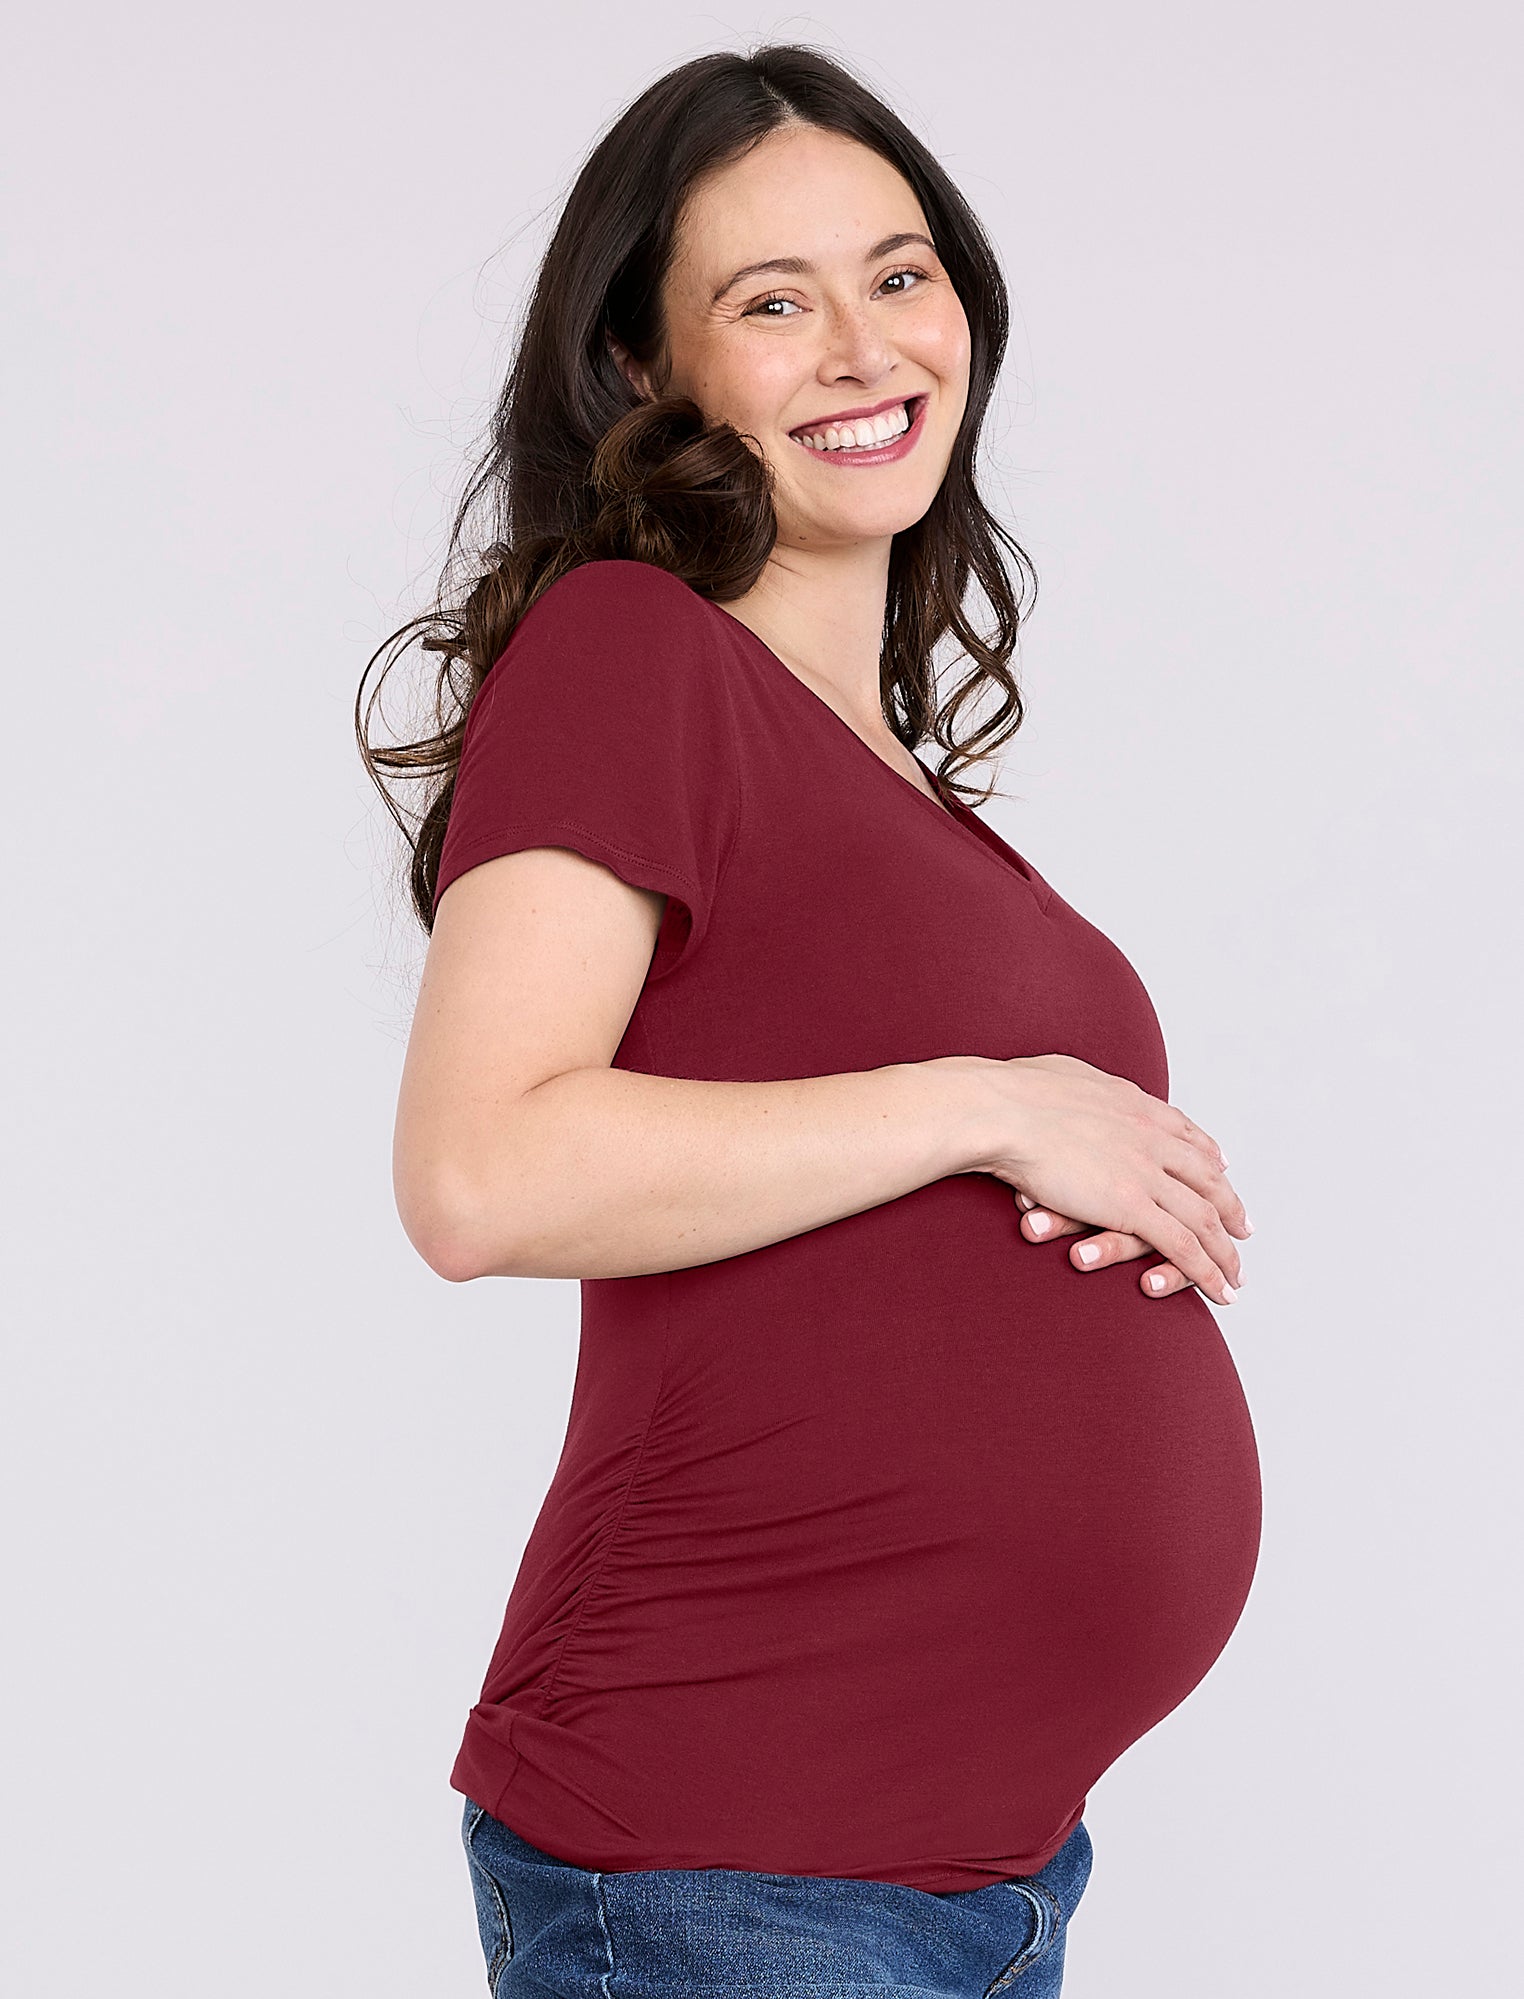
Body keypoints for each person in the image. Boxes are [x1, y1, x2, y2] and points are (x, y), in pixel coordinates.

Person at [362, 42, 1261, 1999]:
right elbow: (477, 1169)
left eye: (900, 271)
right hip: (727, 1864)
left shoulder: (894, 781)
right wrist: (984, 1103)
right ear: (647, 374)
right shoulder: (633, 652)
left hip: (971, 1879)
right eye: (774, 303)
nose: (864, 343)